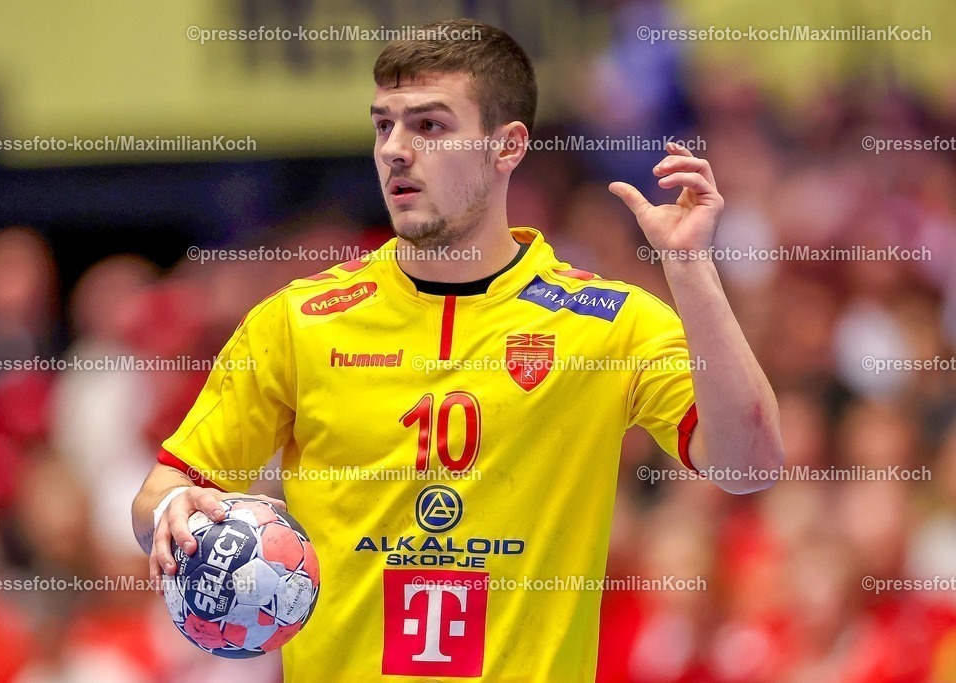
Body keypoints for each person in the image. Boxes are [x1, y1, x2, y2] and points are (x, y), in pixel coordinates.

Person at [132, 17, 784, 682]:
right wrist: (169, 513)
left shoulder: (611, 324)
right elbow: (166, 487)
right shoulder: (296, 321)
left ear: (507, 147)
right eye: (384, 125)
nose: (395, 149)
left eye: (430, 126)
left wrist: (691, 269)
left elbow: (750, 462)